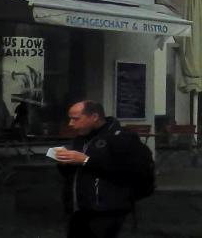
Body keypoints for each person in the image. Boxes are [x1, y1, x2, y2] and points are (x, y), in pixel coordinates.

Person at [55, 100, 152, 237]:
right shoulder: (81, 138)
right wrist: (64, 163)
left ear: (94, 117)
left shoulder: (122, 138)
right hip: (81, 210)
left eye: (75, 119)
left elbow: (131, 170)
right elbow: (75, 173)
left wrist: (86, 160)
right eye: (70, 119)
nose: (71, 124)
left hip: (108, 211)